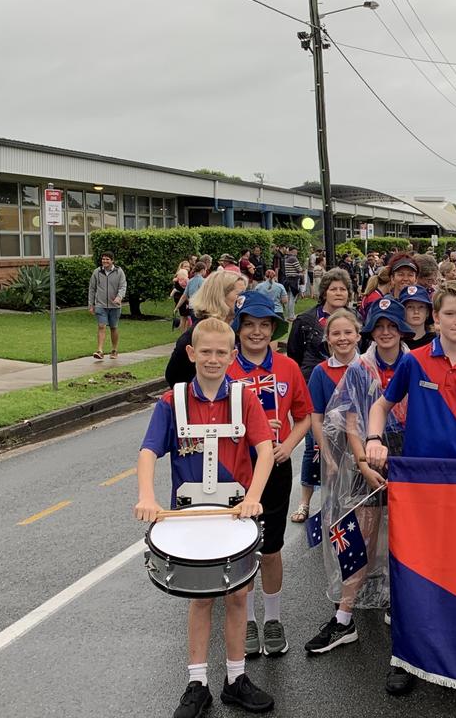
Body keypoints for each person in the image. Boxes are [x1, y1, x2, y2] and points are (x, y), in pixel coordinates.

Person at [366, 281, 456, 696]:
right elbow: (381, 405)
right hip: (417, 487)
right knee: (412, 570)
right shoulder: (415, 362)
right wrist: (374, 439)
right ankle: (407, 657)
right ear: (435, 318)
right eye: (449, 314)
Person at [134, 317, 276, 717]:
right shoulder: (172, 401)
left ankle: (236, 678)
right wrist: (147, 494)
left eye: (221, 353)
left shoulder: (245, 398)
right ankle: (197, 683)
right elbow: (148, 452)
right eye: (206, 352)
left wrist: (253, 498)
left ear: (233, 356)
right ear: (191, 354)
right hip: (191, 516)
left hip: (235, 513)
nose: (214, 359)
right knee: (200, 600)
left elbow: (265, 451)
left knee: (237, 596)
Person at [304, 303, 409, 656]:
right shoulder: (360, 368)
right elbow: (350, 420)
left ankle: (402, 607)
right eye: (378, 326)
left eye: (391, 325)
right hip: (369, 452)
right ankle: (344, 615)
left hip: (409, 454)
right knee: (362, 537)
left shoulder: (416, 362)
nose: (385, 332)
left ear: (401, 328)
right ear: (371, 331)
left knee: (405, 536)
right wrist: (363, 463)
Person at [226, 291, 312, 660]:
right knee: (237, 549)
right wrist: (250, 429)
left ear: (273, 328)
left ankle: (273, 619)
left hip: (276, 466)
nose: (257, 332)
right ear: (239, 328)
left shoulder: (288, 367)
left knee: (271, 548)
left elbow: (305, 415)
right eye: (249, 325)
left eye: (264, 325)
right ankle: (243, 621)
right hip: (236, 469)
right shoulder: (226, 369)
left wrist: (289, 444)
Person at [292, 310, 362, 524]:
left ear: (358, 336)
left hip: (361, 446)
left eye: (348, 332)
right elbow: (316, 416)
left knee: (360, 501)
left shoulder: (367, 368)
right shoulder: (320, 372)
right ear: (328, 338)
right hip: (332, 445)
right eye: (336, 333)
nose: (342, 338)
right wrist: (328, 455)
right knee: (335, 497)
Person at [287, 268, 353, 381]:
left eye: (343, 289)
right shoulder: (304, 321)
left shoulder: (356, 319)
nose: (338, 293)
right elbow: (294, 354)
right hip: (313, 382)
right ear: (324, 294)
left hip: (349, 382)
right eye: (333, 289)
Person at [87, 252, 126, 360]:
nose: (105, 261)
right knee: (101, 326)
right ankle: (100, 351)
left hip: (115, 306)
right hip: (100, 305)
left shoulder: (119, 272)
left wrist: (119, 297)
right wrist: (91, 304)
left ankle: (114, 350)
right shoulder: (97, 272)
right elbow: (92, 289)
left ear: (112, 261)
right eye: (103, 259)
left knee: (113, 327)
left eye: (107, 259)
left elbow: (123, 286)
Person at [397, 284, 436, 349]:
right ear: (402, 312)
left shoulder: (436, 342)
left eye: (421, 307)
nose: (416, 311)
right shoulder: (396, 342)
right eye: (410, 307)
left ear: (427, 312)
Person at [281, 246, 303, 319]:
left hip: (287, 280)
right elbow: (299, 269)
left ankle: (288, 315)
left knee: (288, 298)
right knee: (292, 299)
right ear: (291, 251)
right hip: (293, 281)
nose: (296, 252)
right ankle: (291, 315)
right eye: (295, 251)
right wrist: (301, 272)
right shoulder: (293, 258)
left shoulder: (286, 258)